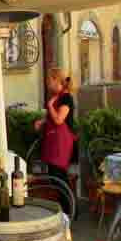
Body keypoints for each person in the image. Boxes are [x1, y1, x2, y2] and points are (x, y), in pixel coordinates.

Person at [34, 68, 77, 216]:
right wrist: (43, 122)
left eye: (49, 80)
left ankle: (70, 209)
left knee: (59, 176)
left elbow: (59, 120)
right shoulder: (58, 97)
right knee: (55, 176)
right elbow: (53, 118)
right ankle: (68, 208)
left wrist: (51, 106)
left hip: (62, 143)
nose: (47, 83)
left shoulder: (66, 98)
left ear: (56, 80)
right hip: (55, 141)